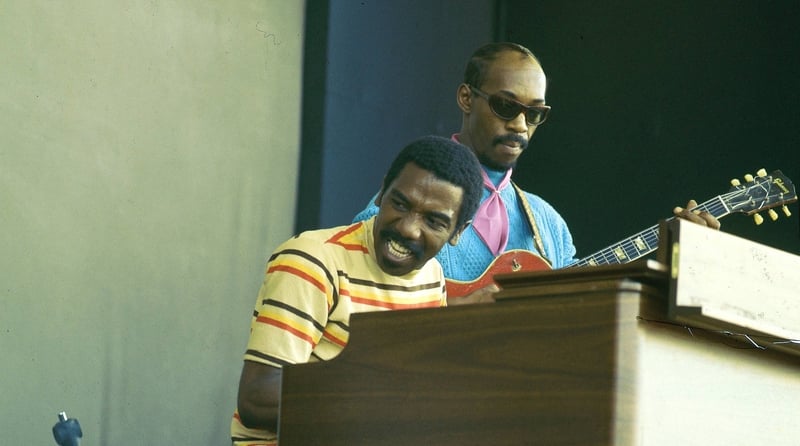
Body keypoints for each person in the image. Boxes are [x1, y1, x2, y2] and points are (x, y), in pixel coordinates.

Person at [353, 42, 720, 304]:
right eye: (505, 106)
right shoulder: (416, 186)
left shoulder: (549, 225)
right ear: (466, 98)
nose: (519, 125)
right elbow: (355, 281)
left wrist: (668, 259)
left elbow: (582, 305)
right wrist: (453, 313)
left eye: (534, 114)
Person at [230, 135, 484, 445]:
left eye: (434, 221)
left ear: (458, 232)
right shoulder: (313, 260)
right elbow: (256, 399)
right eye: (400, 204)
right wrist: (383, 404)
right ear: (381, 193)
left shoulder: (432, 276)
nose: (408, 228)